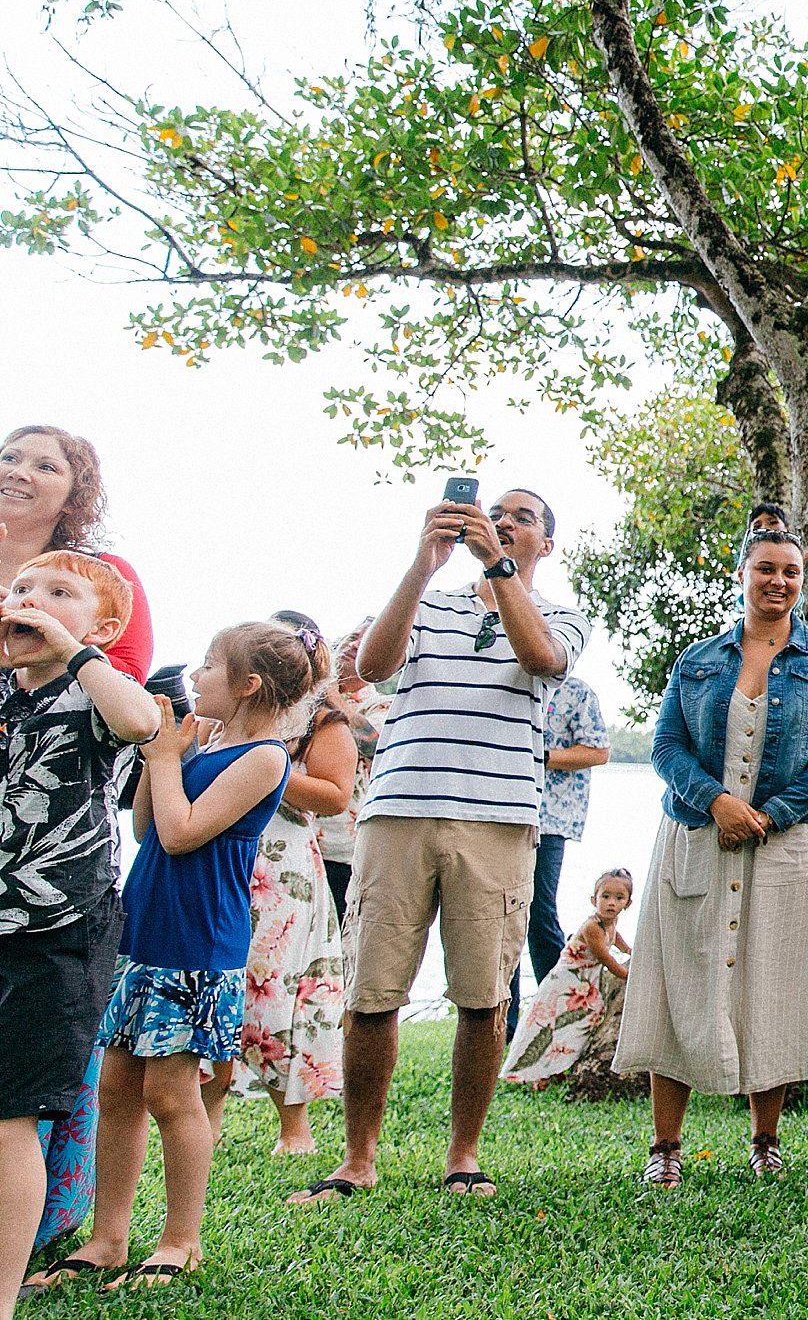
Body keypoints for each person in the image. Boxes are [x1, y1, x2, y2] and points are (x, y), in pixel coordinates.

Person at [291, 487, 587, 1206]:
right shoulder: (429, 601)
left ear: (545, 544)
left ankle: (464, 1155)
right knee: (373, 990)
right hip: (398, 811)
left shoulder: (563, 614)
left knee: (484, 994)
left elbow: (542, 659)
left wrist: (498, 569)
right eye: (499, 512)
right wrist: (423, 565)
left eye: (523, 517)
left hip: (498, 818)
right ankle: (357, 1156)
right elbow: (380, 663)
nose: (505, 521)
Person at [616, 528, 808, 1184]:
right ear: (742, 573)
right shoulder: (697, 658)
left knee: (770, 985)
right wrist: (717, 801)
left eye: (790, 571)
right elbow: (667, 747)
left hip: (784, 846)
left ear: (801, 580)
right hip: (697, 837)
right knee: (681, 980)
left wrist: (771, 813)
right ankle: (665, 1148)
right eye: (765, 569)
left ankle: (765, 1139)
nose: (778, 581)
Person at [85, 624, 301, 1289]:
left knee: (171, 1092)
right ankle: (108, 1238)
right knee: (117, 1085)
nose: (195, 676)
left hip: (197, 942)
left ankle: (181, 1239)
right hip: (145, 928)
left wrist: (165, 762)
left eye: (210, 664)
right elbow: (148, 826)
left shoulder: (266, 757)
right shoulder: (207, 740)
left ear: (248, 683)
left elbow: (181, 835)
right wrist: (162, 753)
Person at [0, 428, 151, 1261]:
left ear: (104, 622)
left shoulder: (96, 690)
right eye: (22, 587)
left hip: (57, 929)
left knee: (11, 1111)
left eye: (57, 590)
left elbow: (140, 720)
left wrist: (73, 649)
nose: (32, 596)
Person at [203, 613, 351, 1155]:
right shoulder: (226, 721)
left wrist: (262, 768)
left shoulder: (323, 721)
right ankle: (207, 1121)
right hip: (228, 858)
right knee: (223, 986)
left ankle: (295, 1129)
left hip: (281, 870)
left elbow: (336, 795)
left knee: (276, 989)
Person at [0, 427, 153, 682]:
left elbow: (132, 674)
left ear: (74, 500)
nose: (18, 473)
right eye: (9, 458)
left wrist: (53, 643)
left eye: (46, 467)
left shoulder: (102, 570)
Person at [513, 674, 609, 1033]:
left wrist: (541, 756)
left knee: (539, 914)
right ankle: (506, 1025)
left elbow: (599, 751)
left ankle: (556, 1012)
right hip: (500, 812)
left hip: (549, 818)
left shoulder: (576, 690)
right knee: (501, 917)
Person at [503, 870, 633, 1087]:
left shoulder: (611, 922)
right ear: (594, 899)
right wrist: (631, 976)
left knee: (576, 1025)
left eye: (619, 898)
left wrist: (630, 950)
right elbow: (606, 959)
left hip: (583, 983)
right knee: (549, 1026)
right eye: (605, 896)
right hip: (566, 983)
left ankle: (558, 1066)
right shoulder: (592, 926)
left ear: (628, 903)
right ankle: (538, 1073)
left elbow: (616, 939)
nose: (611, 903)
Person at [310, 619, 387, 922]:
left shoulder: (382, 706)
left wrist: (332, 696)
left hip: (341, 850)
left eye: (366, 641)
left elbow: (374, 745)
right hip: (293, 841)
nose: (355, 644)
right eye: (353, 636)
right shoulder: (304, 698)